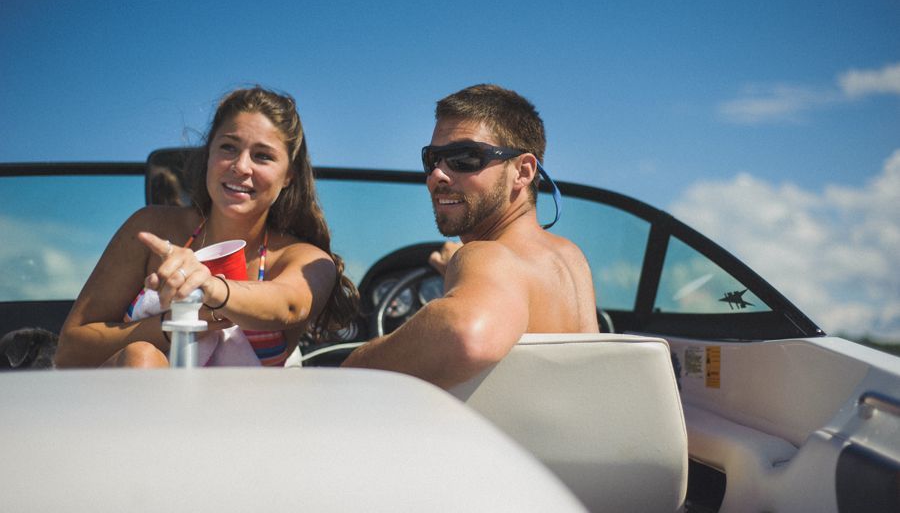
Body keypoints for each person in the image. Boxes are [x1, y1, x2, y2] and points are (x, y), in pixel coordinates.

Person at [55, 86, 358, 368]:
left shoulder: (304, 259)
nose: (241, 166)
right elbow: (69, 351)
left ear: (289, 175)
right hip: (142, 416)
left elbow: (289, 306)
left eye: (262, 156)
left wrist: (211, 288)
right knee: (141, 357)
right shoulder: (151, 228)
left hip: (247, 420)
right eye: (228, 147)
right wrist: (175, 325)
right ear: (209, 154)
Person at [342, 84, 598, 388]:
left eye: (464, 158)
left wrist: (349, 368)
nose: (437, 175)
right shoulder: (570, 257)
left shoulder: (486, 256)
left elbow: (467, 336)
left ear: (524, 171)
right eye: (432, 159)